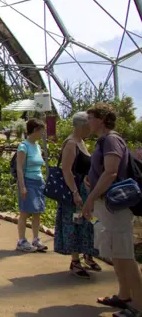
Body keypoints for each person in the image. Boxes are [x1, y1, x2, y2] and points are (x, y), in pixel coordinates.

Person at [82, 103, 142, 315]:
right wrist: (92, 181)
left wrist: (90, 198)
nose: (87, 122)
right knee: (117, 252)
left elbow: (111, 173)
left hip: (115, 206)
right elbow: (104, 173)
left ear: (101, 118)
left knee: (125, 254)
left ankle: (138, 304)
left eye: (90, 118)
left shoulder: (111, 140)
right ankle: (124, 294)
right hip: (107, 204)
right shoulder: (104, 141)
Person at [54, 112, 100, 279]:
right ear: (81, 126)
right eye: (89, 126)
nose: (91, 129)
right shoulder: (71, 144)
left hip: (84, 190)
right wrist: (75, 192)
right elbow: (66, 170)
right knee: (76, 221)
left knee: (89, 221)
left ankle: (88, 254)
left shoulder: (81, 142)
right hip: (75, 192)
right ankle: (75, 260)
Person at [15, 118, 48, 253]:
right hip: (28, 181)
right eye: (41, 131)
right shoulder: (24, 146)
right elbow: (19, 168)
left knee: (37, 212)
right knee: (25, 212)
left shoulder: (38, 146)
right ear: (35, 130)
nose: (42, 134)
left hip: (39, 181)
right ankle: (21, 240)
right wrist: (22, 186)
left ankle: (36, 239)